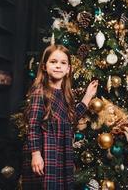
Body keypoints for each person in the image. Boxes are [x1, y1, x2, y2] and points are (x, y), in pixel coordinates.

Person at [21, 44, 98, 189]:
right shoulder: (40, 92)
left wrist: (87, 96)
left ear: (68, 69)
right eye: (53, 62)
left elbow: (70, 118)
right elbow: (33, 125)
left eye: (63, 63)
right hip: (46, 153)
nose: (58, 66)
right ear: (44, 66)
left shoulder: (65, 95)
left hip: (62, 154)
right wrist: (36, 154)